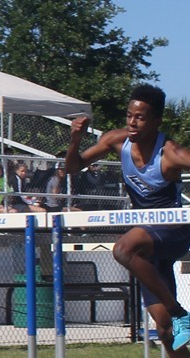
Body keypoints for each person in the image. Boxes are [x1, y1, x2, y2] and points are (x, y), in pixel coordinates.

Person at [65, 84, 190, 356]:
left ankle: (180, 313)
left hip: (173, 232)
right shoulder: (116, 140)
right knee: (166, 331)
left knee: (123, 249)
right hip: (145, 242)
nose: (132, 123)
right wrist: (75, 140)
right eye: (129, 115)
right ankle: (177, 318)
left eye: (140, 118)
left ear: (156, 121)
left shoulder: (170, 153)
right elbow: (72, 168)